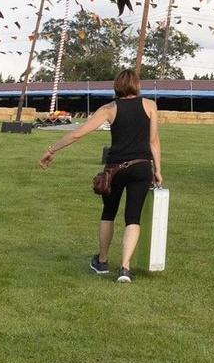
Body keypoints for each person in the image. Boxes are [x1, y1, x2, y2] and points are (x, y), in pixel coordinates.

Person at [38, 69, 164, 283]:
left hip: (114, 169)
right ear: (137, 85)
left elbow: (78, 133)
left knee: (109, 212)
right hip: (142, 167)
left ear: (117, 86)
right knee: (133, 217)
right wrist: (158, 170)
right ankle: (125, 268)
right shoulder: (150, 105)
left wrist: (52, 149)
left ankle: (103, 261)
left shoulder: (109, 109)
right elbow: (153, 141)